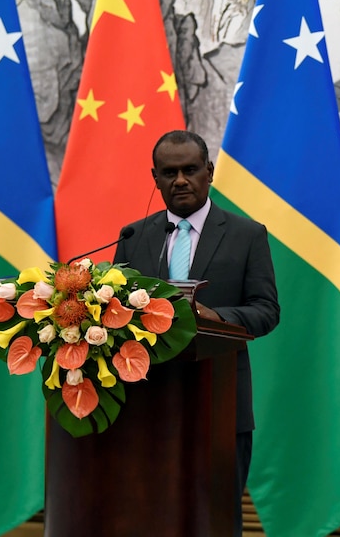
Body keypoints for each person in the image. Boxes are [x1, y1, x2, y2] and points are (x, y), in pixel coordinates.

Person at [113, 130, 280, 535]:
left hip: (220, 406)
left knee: (215, 521)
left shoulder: (246, 234)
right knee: (148, 518)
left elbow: (266, 311)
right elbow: (114, 313)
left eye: (190, 170)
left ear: (209, 172)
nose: (181, 180)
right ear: (155, 179)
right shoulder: (134, 236)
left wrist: (211, 317)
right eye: (169, 173)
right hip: (147, 406)